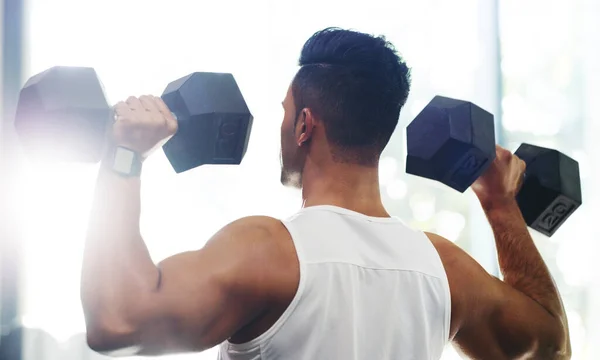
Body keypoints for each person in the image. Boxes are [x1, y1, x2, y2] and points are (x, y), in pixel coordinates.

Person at [80, 28, 572, 359]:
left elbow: (117, 320)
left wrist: (125, 156)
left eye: (285, 112)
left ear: (304, 126)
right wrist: (499, 204)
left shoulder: (266, 252)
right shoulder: (444, 269)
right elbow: (550, 347)